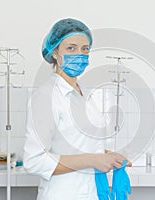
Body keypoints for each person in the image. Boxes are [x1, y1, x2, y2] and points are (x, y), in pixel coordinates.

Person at [23, 18, 131, 200]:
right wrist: (93, 159)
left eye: (85, 49)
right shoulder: (45, 97)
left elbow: (76, 145)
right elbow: (34, 161)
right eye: (71, 48)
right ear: (55, 52)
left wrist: (107, 156)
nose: (80, 55)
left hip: (91, 193)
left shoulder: (85, 94)